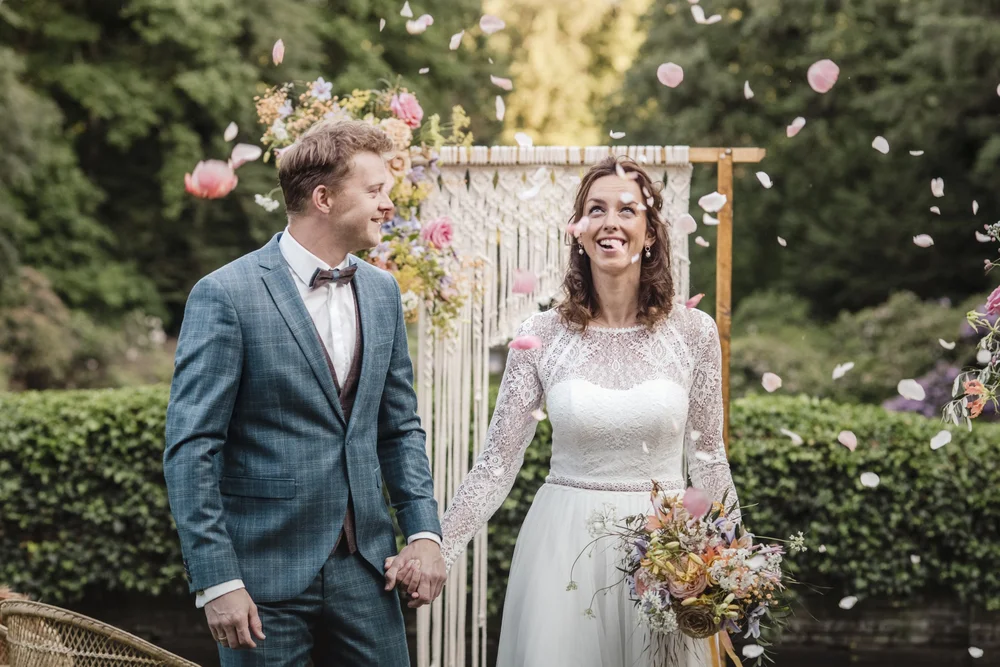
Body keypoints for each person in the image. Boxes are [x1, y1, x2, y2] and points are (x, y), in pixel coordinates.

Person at [389, 155, 741, 666]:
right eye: (595, 210)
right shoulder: (542, 334)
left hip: (668, 552)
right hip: (563, 550)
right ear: (578, 230)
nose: (610, 222)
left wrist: (732, 564)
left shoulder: (694, 332)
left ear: (650, 233)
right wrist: (440, 549)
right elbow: (497, 463)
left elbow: (709, 459)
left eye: (627, 209)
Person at [163, 119, 446, 666]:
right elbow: (191, 448)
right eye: (375, 190)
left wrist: (424, 534)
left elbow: (399, 428)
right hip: (261, 577)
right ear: (323, 198)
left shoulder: (383, 292)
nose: (388, 205)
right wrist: (218, 580)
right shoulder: (225, 294)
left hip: (367, 570)